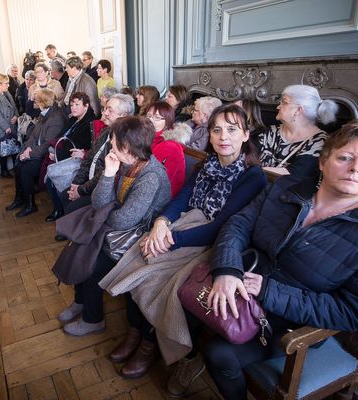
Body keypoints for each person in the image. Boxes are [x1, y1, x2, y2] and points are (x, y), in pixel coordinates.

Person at [186, 119, 358, 400]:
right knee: (187, 301)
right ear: (323, 162)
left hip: (292, 316)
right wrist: (226, 269)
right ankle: (186, 360)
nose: (356, 168)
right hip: (242, 279)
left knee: (220, 354)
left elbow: (355, 311)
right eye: (345, 157)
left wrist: (270, 291)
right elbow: (237, 225)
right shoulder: (286, 188)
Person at [99, 104, 266, 380]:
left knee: (156, 279)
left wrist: (169, 240)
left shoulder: (253, 176)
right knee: (139, 254)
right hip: (185, 228)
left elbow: (220, 227)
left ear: (246, 135)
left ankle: (148, 346)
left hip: (217, 245)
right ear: (210, 136)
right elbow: (182, 199)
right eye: (217, 130)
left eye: (232, 130)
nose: (224, 137)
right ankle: (134, 333)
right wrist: (161, 223)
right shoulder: (207, 165)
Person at [60, 116, 172, 336]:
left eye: (113, 141)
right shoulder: (122, 163)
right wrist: (109, 174)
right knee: (79, 244)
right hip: (118, 231)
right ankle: (81, 301)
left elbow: (124, 220)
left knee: (91, 263)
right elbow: (98, 202)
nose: (110, 145)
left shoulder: (151, 176)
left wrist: (105, 214)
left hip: (139, 237)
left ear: (127, 146)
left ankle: (93, 320)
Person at [62, 93, 134, 217]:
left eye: (110, 110)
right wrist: (76, 183)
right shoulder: (106, 131)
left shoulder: (124, 141)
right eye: (105, 108)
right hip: (90, 183)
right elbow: (89, 158)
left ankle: (78, 230)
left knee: (71, 207)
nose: (105, 113)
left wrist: (81, 190)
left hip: (104, 189)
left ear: (124, 116)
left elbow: (104, 173)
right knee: (65, 195)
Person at [5, 89, 67, 217]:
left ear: (42, 103)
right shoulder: (44, 114)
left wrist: (30, 154)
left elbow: (47, 144)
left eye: (37, 102)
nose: (36, 104)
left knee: (26, 170)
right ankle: (19, 199)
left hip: (47, 155)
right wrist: (25, 150)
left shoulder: (56, 118)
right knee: (18, 164)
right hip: (36, 150)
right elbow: (33, 136)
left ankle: (30, 205)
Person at [259, 84, 338, 177]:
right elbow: (248, 157)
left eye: (284, 102)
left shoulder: (319, 142)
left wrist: (255, 171)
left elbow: (294, 175)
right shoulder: (271, 131)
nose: (278, 107)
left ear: (298, 110)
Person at [44, 92, 96, 222]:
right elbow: (62, 137)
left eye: (77, 104)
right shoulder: (73, 119)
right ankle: (59, 207)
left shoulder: (89, 123)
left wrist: (57, 154)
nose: (73, 107)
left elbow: (78, 147)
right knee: (47, 170)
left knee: (50, 177)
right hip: (63, 154)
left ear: (86, 106)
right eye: (72, 104)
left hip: (76, 159)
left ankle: (60, 210)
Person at [146, 101, 187, 197]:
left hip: (159, 197)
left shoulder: (170, 146)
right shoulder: (146, 136)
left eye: (156, 118)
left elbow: (160, 183)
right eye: (148, 116)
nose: (150, 120)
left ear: (167, 122)